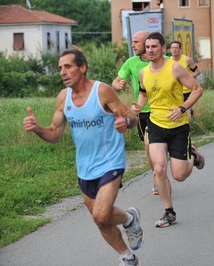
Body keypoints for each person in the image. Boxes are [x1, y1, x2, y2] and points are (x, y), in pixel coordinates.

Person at [23, 49, 143, 266]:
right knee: (101, 221)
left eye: (68, 67)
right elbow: (55, 134)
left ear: (82, 68)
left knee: (100, 214)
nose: (63, 72)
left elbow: (131, 117)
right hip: (84, 168)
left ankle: (129, 220)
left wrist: (125, 123)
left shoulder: (102, 91)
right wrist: (38, 129)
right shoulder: (63, 97)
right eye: (60, 68)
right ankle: (128, 256)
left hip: (110, 161)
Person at [133, 32, 205, 228]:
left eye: (154, 47)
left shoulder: (175, 69)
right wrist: (138, 106)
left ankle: (194, 156)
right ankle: (169, 212)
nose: (150, 50)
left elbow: (197, 90)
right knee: (159, 168)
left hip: (178, 127)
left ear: (163, 48)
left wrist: (182, 108)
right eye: (147, 47)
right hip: (155, 125)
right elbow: (143, 95)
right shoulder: (143, 73)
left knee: (180, 175)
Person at [112, 30, 160, 196]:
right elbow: (116, 81)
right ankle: (157, 176)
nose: (132, 45)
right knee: (148, 147)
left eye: (135, 42)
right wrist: (117, 85)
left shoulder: (165, 61)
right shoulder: (131, 62)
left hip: (161, 110)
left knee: (155, 145)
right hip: (141, 112)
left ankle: (187, 149)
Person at [170, 40, 201, 120]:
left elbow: (197, 71)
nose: (174, 50)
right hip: (175, 91)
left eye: (176, 48)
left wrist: (186, 78)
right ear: (170, 50)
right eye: (172, 48)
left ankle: (188, 128)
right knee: (176, 112)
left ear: (180, 49)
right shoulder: (168, 61)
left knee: (186, 111)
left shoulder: (187, 60)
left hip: (187, 90)